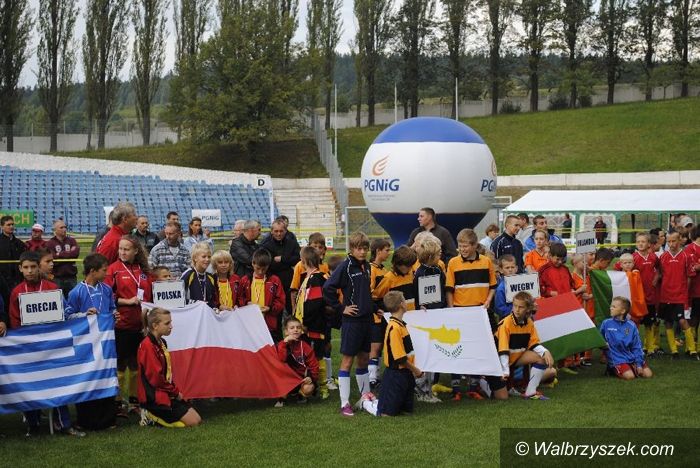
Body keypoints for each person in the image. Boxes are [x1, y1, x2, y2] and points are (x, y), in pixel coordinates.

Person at [8, 251, 85, 437]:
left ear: (38, 268)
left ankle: (64, 423)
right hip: (28, 348)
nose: (30, 271)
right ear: (20, 269)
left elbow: (62, 316)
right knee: (29, 385)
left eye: (33, 267)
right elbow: (15, 322)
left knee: (58, 384)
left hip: (51, 347)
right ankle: (33, 424)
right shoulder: (17, 291)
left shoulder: (52, 288)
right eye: (26, 267)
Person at [323, 231, 375, 417]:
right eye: (359, 249)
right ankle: (344, 403)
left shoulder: (367, 266)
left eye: (365, 249)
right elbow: (327, 288)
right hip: (352, 321)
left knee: (364, 359)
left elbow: (364, 292)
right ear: (352, 249)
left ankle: (365, 397)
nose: (362, 252)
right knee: (347, 361)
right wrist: (341, 308)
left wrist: (373, 307)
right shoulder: (345, 267)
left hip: (367, 320)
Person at [65, 253, 119, 431]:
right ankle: (86, 420)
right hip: (86, 345)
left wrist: (114, 315)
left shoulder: (107, 289)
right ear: (92, 271)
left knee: (107, 376)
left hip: (105, 343)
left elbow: (112, 308)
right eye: (104, 270)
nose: (107, 273)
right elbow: (68, 316)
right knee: (87, 378)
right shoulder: (76, 292)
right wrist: (84, 315)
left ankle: (108, 419)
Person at [105, 235, 153, 417]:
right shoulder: (113, 270)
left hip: (141, 325)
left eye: (126, 249)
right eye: (120, 249)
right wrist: (127, 301)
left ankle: (134, 401)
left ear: (136, 251)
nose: (123, 252)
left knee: (135, 363)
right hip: (122, 324)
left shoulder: (144, 270)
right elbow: (107, 296)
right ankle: (117, 402)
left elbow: (151, 295)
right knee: (120, 363)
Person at [446, 228, 497, 400]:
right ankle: (456, 389)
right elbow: (449, 289)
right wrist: (451, 309)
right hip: (460, 312)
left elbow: (492, 286)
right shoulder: (453, 263)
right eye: (460, 246)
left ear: (475, 245)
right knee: (457, 349)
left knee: (477, 349)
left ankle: (474, 386)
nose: (462, 249)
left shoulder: (486, 262)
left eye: (466, 246)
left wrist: (488, 300)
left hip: (480, 313)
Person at [360, 291, 422, 417]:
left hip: (406, 374)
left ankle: (379, 401)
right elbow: (400, 358)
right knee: (386, 414)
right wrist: (416, 370)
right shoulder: (394, 328)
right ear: (401, 305)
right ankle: (366, 402)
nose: (406, 303)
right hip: (395, 375)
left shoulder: (400, 325)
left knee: (406, 411)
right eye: (404, 300)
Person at [138, 307, 202, 427]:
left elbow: (166, 374)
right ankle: (149, 414)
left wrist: (173, 392)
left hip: (166, 393)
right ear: (155, 326)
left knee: (197, 419)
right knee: (191, 423)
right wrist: (175, 393)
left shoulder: (162, 342)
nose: (171, 326)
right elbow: (156, 379)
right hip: (154, 397)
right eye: (167, 323)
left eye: (170, 322)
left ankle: (158, 415)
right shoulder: (147, 345)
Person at [372, 246, 418, 394]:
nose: (409, 268)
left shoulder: (411, 273)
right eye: (407, 265)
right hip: (396, 323)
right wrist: (379, 309)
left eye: (411, 265)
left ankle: (413, 380)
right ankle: (379, 380)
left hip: (413, 321)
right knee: (398, 352)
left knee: (412, 349)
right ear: (397, 264)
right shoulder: (388, 278)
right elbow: (376, 297)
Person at [495, 291, 556, 399]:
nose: (517, 310)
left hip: (515, 358)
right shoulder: (506, 323)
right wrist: (505, 371)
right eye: (515, 306)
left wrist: (545, 351)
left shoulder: (529, 323)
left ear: (528, 309)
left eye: (521, 307)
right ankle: (485, 381)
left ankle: (530, 392)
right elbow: (503, 349)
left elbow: (534, 343)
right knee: (502, 396)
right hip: (499, 362)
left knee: (542, 358)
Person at [292, 246, 330, 398]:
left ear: (304, 261)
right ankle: (311, 387)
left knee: (317, 358)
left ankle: (323, 388)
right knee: (309, 357)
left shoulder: (315, 278)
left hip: (313, 327)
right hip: (308, 326)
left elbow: (314, 304)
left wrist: (305, 323)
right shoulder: (310, 278)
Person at [657, 231, 696, 359]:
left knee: (683, 321)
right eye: (669, 241)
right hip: (665, 295)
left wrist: (685, 291)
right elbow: (660, 274)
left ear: (680, 241)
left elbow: (690, 276)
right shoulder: (663, 257)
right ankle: (674, 351)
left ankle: (692, 350)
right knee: (668, 322)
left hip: (680, 295)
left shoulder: (686, 256)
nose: (671, 244)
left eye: (674, 241)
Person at [238, 248, 286, 341]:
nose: (260, 272)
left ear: (268, 266)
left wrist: (270, 308)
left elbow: (281, 300)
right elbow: (240, 297)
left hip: (269, 323)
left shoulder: (274, 280)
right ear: (253, 263)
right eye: (258, 268)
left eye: (264, 269)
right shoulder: (245, 280)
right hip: (250, 323)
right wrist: (246, 303)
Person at [600, 297, 653, 380]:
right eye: (611, 306)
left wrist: (639, 364)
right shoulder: (606, 323)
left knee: (648, 374)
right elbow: (600, 339)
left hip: (631, 356)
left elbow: (636, 346)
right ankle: (611, 369)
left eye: (614, 307)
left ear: (623, 311)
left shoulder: (631, 325)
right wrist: (603, 346)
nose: (610, 308)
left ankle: (632, 366)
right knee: (630, 376)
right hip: (617, 358)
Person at [275, 317, 319, 407]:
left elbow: (314, 365)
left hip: (300, 379)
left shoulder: (305, 346)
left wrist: (311, 377)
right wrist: (285, 343)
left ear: (301, 330)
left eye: (298, 327)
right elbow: (282, 359)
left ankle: (300, 394)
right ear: (286, 331)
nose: (295, 330)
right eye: (292, 328)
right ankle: (282, 397)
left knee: (308, 388)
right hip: (286, 379)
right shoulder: (281, 345)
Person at [260, 218, 301, 311]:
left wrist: (282, 259)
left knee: (290, 306)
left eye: (281, 231)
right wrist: (287, 261)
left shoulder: (292, 243)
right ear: (272, 231)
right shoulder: (266, 245)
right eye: (276, 231)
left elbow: (298, 259)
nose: (279, 234)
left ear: (285, 231)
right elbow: (269, 263)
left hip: (289, 279)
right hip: (272, 279)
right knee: (274, 306)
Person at [633, 232, 661, 355]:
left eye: (643, 241)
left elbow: (660, 269)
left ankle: (649, 347)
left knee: (649, 323)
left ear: (649, 244)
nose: (640, 244)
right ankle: (636, 347)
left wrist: (656, 278)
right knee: (636, 323)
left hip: (650, 296)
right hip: (638, 297)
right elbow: (620, 268)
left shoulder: (653, 257)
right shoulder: (633, 258)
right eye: (638, 241)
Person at [46, 219, 80, 298]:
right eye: (61, 227)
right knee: (58, 299)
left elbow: (75, 253)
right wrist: (68, 253)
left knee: (73, 299)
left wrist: (59, 254)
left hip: (71, 276)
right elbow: (52, 257)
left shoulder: (72, 240)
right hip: (57, 277)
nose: (64, 229)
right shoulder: (50, 243)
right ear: (55, 230)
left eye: (65, 227)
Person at [180, 242, 218, 308]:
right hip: (191, 311)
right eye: (204, 257)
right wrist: (198, 304)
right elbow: (178, 299)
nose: (207, 259)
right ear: (195, 258)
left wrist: (214, 307)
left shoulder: (210, 277)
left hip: (206, 312)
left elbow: (212, 300)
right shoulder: (188, 275)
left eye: (209, 257)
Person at [0, 215, 27, 300]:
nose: (11, 226)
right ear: (2, 226)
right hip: (2, 279)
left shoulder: (20, 243)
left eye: (12, 224)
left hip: (17, 279)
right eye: (8, 225)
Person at [494, 254, 518, 319]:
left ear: (516, 268)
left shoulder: (522, 283)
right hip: (509, 320)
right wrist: (515, 311)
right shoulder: (501, 288)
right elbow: (499, 309)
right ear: (501, 270)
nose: (510, 270)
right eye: (507, 268)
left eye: (512, 267)